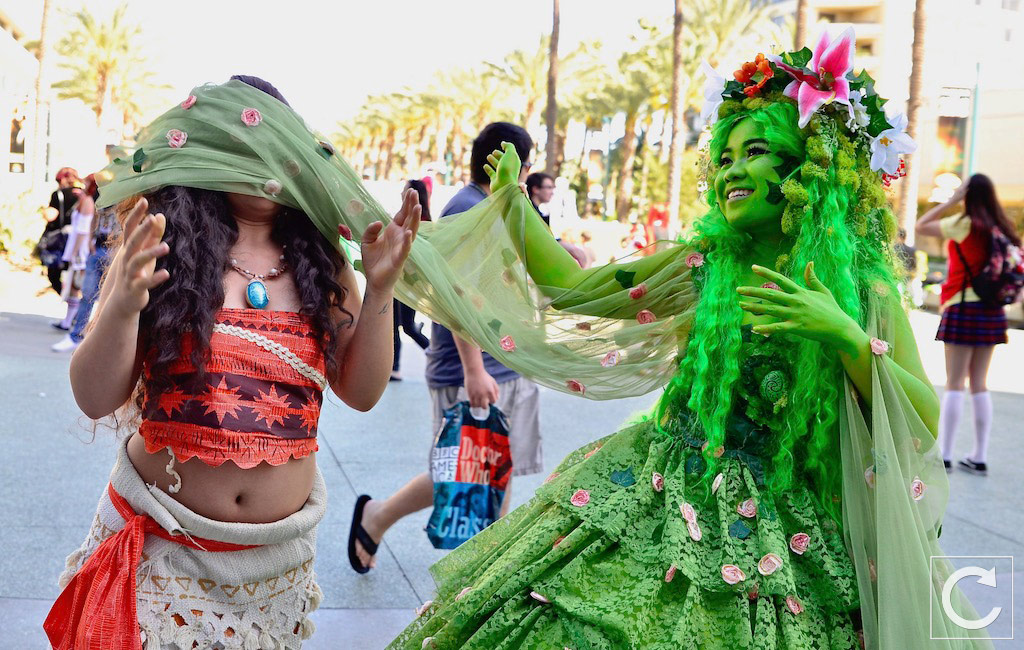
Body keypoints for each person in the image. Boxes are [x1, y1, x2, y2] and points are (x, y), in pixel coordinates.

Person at [387, 32, 991, 648]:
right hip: (665, 489)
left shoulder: (865, 289)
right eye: (724, 156)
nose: (731, 168)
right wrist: (513, 201)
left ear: (812, 167)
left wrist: (845, 335)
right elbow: (573, 287)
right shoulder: (703, 264)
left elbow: (920, 414)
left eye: (755, 150)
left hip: (793, 528)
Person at [45, 76, 420, 649]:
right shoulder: (162, 245)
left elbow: (362, 392)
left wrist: (381, 289)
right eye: (244, 146)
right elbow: (95, 397)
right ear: (210, 149)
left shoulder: (323, 262)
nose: (261, 164)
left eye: (275, 147)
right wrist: (121, 306)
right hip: (161, 550)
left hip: (273, 572)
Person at [348, 122, 544, 574]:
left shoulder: (494, 207)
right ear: (514, 165)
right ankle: (476, 576)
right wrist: (474, 369)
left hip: (506, 362)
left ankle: (477, 569)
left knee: (488, 471)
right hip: (475, 369)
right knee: (464, 471)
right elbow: (456, 297)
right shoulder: (466, 208)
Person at [916, 174, 1021, 475]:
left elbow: (921, 226)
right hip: (992, 311)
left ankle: (946, 453)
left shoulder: (964, 224)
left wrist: (950, 201)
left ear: (968, 195)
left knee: (954, 383)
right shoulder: (1004, 228)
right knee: (979, 384)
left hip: (963, 306)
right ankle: (979, 455)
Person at [52, 175, 122, 352]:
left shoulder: (125, 195)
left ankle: (101, 341)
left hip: (114, 250)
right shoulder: (100, 197)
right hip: (98, 248)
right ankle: (76, 335)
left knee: (111, 299)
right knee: (88, 293)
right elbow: (94, 218)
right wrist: (90, 240)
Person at [391, 179, 432, 380]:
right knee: (405, 325)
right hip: (412, 283)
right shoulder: (425, 220)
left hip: (402, 280)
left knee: (396, 326)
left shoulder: (414, 221)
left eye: (404, 190)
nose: (401, 193)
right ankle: (432, 352)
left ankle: (395, 367)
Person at [39, 168, 81, 304]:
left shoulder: (58, 195)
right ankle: (73, 310)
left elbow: (52, 215)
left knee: (53, 274)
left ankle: (69, 303)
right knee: (74, 278)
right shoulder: (84, 195)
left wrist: (44, 211)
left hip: (60, 240)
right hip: (79, 241)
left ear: (63, 179)